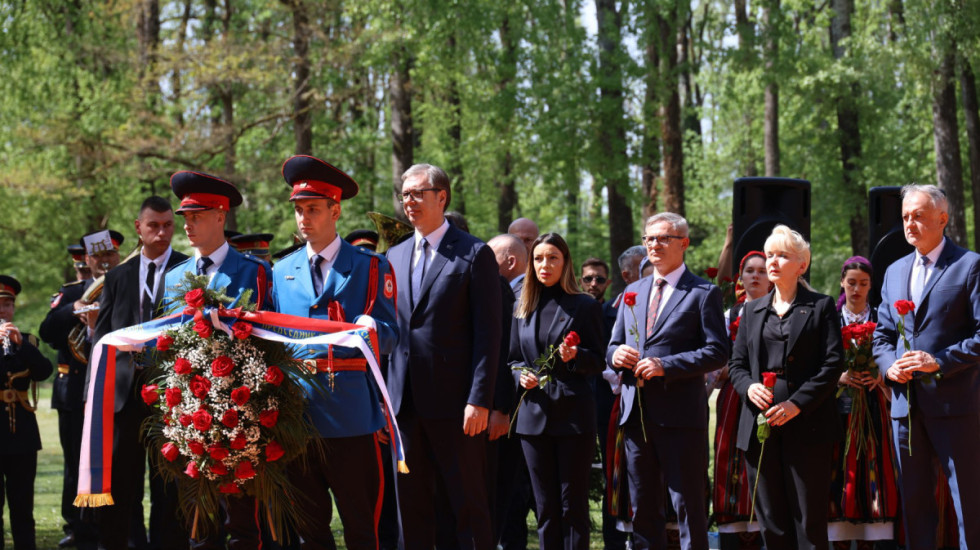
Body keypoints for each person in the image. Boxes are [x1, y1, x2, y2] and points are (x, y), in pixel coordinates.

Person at [268, 154, 398, 550]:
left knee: (363, 527)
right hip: (299, 417)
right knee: (311, 531)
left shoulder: (371, 267)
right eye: (298, 210)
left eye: (313, 209)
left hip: (352, 417)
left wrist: (374, 327)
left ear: (335, 211)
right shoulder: (280, 271)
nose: (304, 218)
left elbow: (392, 335)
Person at [386, 163, 502, 550]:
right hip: (404, 405)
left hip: (457, 407)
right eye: (405, 194)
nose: (410, 202)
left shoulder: (474, 253)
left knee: (467, 505)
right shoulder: (395, 255)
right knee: (412, 506)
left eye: (418, 193)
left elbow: (489, 334)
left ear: (441, 196)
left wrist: (479, 399)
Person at [162, 170, 271, 549]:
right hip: (189, 416)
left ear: (221, 216)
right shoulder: (176, 277)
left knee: (242, 524)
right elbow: (167, 344)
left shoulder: (254, 273)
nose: (188, 225)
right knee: (199, 525)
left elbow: (268, 343)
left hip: (240, 415)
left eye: (197, 216)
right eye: (186, 218)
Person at [606, 212, 727, 550]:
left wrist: (665, 365)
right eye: (649, 239)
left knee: (687, 506)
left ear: (683, 244)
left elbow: (717, 351)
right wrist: (615, 355)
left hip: (680, 417)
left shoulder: (703, 293)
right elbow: (614, 343)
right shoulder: (633, 290)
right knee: (643, 508)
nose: (654, 245)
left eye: (663, 238)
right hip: (637, 415)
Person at [872, 183, 980, 549]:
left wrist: (939, 362)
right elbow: (882, 337)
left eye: (918, 216)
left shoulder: (969, 265)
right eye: (905, 217)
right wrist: (889, 368)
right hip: (905, 408)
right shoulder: (894, 272)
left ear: (942, 218)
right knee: (915, 509)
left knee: (968, 506)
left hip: (956, 407)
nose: (909, 224)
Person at [728, 225, 844, 550]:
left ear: (802, 264)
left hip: (808, 426)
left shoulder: (821, 306)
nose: (773, 262)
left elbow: (833, 365)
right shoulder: (751, 311)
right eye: (769, 255)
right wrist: (749, 387)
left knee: (808, 519)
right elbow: (736, 365)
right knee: (771, 520)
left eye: (782, 255)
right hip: (759, 427)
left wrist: (797, 404)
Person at [91, 197, 189, 550]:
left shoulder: (189, 269)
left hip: (172, 399)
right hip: (122, 399)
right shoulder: (117, 277)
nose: (162, 233)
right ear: (139, 228)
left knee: (171, 490)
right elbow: (100, 339)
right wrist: (94, 394)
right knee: (120, 487)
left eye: (167, 225)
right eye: (154, 226)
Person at [509, 233, 604, 550]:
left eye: (552, 258)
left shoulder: (584, 305)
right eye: (538, 258)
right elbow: (512, 358)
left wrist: (576, 358)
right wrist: (520, 374)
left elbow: (599, 360)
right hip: (532, 418)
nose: (544, 264)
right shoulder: (522, 306)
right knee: (545, 507)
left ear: (565, 263)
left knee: (571, 505)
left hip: (573, 417)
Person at [40, 230, 124, 550]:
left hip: (116, 389)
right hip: (76, 391)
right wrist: (78, 307)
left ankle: (112, 525)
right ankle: (77, 526)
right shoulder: (73, 291)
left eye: (109, 256)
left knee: (117, 463)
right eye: (97, 258)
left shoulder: (123, 287)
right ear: (87, 260)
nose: (103, 263)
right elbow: (47, 331)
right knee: (76, 463)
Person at [827, 256, 899, 548]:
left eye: (863, 283)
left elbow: (890, 354)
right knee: (839, 469)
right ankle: (840, 536)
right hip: (838, 408)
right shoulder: (830, 317)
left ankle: (873, 536)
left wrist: (880, 377)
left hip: (874, 407)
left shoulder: (881, 320)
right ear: (843, 282)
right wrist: (839, 376)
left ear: (871, 286)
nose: (857, 289)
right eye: (852, 282)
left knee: (874, 464)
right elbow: (818, 360)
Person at [711, 251, 770, 549]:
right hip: (735, 395)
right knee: (731, 457)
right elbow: (714, 361)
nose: (756, 276)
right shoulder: (730, 315)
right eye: (750, 271)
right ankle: (733, 525)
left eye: (762, 271)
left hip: (770, 395)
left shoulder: (781, 310)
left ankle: (768, 523)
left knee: (766, 460)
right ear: (741, 277)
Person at [0, 275, 55, 550]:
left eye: (8, 304)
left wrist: (20, 344)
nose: (3, 310)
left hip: (22, 435)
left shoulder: (28, 342)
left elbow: (45, 371)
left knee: (23, 508)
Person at [486, 233, 534, 550]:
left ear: (510, 260)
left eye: (489, 260)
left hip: (517, 413)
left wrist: (501, 407)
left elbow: (509, 354)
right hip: (502, 412)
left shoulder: (527, 298)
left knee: (508, 495)